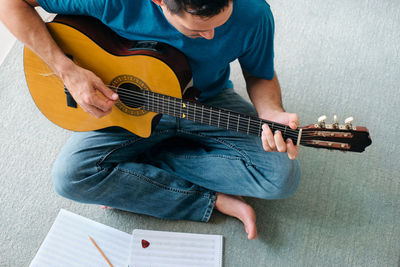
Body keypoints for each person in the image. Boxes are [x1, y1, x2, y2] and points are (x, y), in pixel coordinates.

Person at [0, 0, 301, 240]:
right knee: (70, 177)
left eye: (218, 24)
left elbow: (260, 76)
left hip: (204, 101)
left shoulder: (254, 13)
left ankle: (143, 162)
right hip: (122, 110)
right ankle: (208, 199)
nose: (211, 36)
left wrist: (270, 111)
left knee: (281, 177)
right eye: (197, 31)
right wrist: (67, 70)